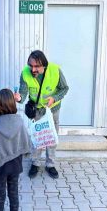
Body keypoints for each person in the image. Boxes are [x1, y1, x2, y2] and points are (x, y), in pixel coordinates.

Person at [14, 50, 69, 179]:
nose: (33, 69)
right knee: (36, 137)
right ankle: (35, 163)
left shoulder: (55, 70)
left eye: (36, 66)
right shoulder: (25, 73)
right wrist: (18, 97)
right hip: (36, 110)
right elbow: (23, 93)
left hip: (52, 110)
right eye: (31, 65)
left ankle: (50, 164)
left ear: (43, 65)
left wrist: (54, 98)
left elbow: (64, 88)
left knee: (51, 137)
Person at [0, 88, 32, 211]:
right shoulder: (20, 122)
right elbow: (25, 141)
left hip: (0, 167)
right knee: (14, 194)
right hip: (15, 166)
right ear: (12, 103)